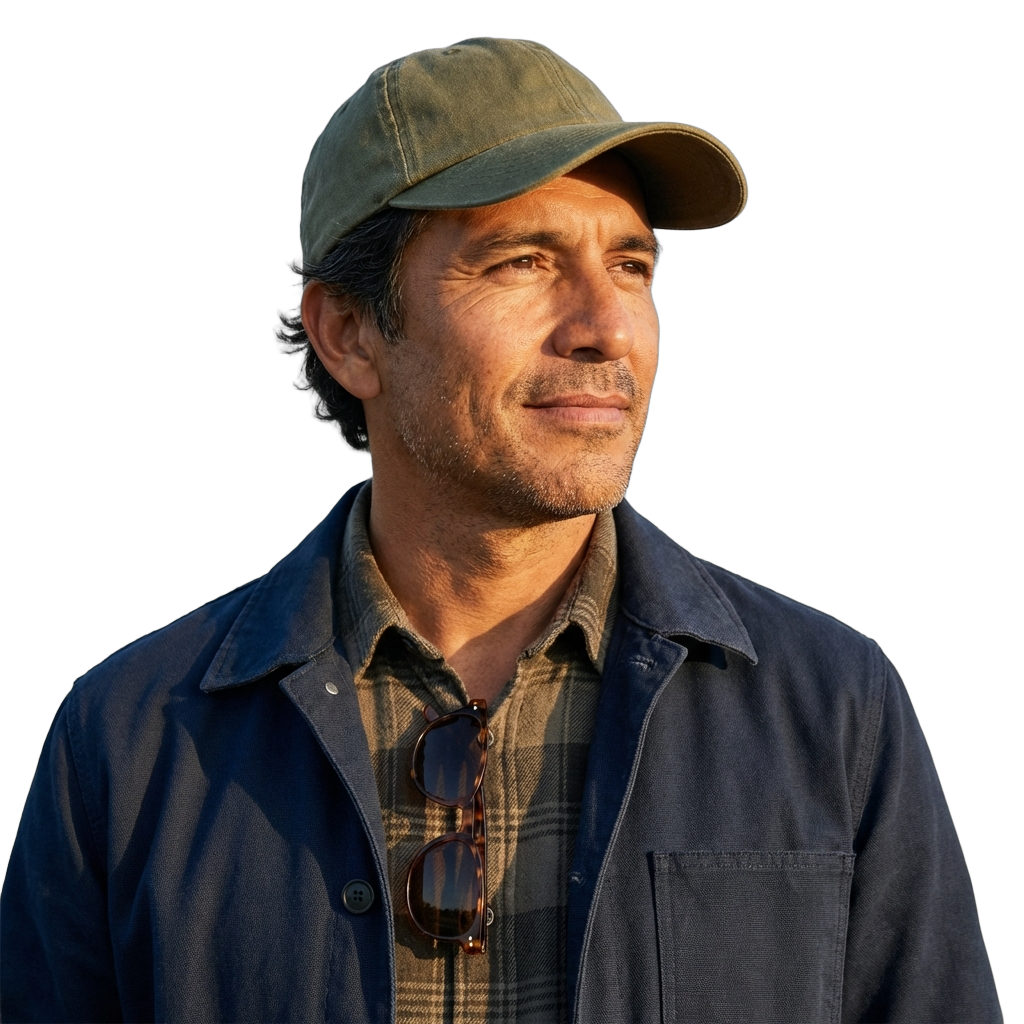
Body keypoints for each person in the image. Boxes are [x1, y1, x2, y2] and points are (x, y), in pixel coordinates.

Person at [0, 37, 1000, 1024]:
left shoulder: (833, 704)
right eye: (523, 261)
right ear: (349, 332)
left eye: (631, 265)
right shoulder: (128, 736)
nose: (606, 327)